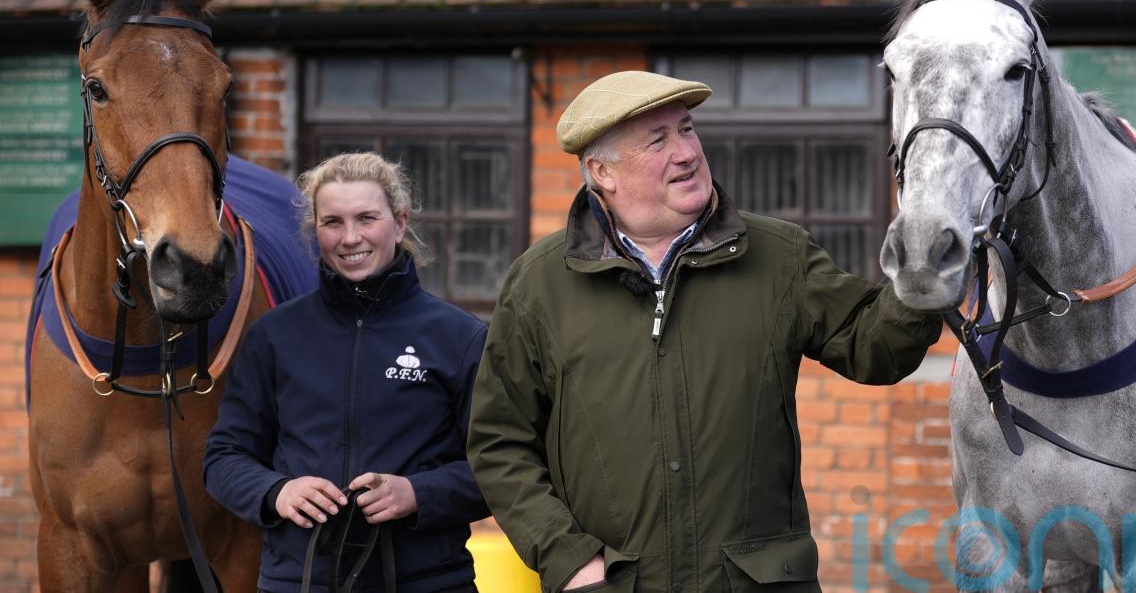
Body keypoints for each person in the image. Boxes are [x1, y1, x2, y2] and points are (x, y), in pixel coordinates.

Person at [466, 71, 943, 592]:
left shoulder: (780, 256)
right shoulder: (538, 285)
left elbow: (877, 348)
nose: (686, 152)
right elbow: (500, 445)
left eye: (687, 129)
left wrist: (923, 272)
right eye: (658, 141)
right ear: (602, 172)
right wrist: (569, 560)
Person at [204, 152, 489, 592]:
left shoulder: (460, 337)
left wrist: (418, 493)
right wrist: (277, 491)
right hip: (296, 582)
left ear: (399, 223)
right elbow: (223, 458)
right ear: (315, 229)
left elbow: (500, 468)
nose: (350, 237)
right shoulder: (274, 337)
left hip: (428, 582)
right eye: (332, 222)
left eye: (366, 218)